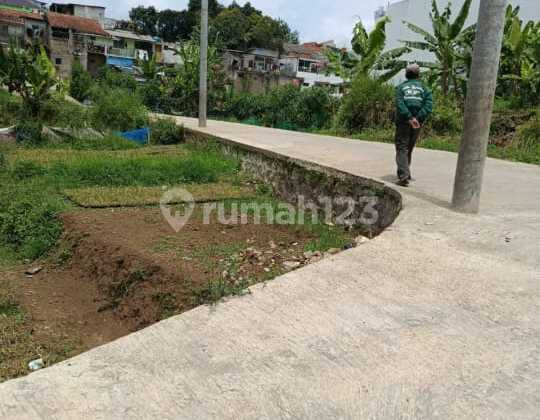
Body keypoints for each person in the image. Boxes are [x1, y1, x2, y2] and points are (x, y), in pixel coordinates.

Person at [394, 63, 433, 187]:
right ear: (418, 74)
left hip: (403, 123)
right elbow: (428, 105)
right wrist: (417, 118)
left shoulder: (401, 88)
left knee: (402, 148)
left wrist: (409, 117)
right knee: (409, 148)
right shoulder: (425, 88)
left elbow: (400, 104)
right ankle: (407, 173)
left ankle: (403, 176)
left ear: (406, 74)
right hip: (417, 124)